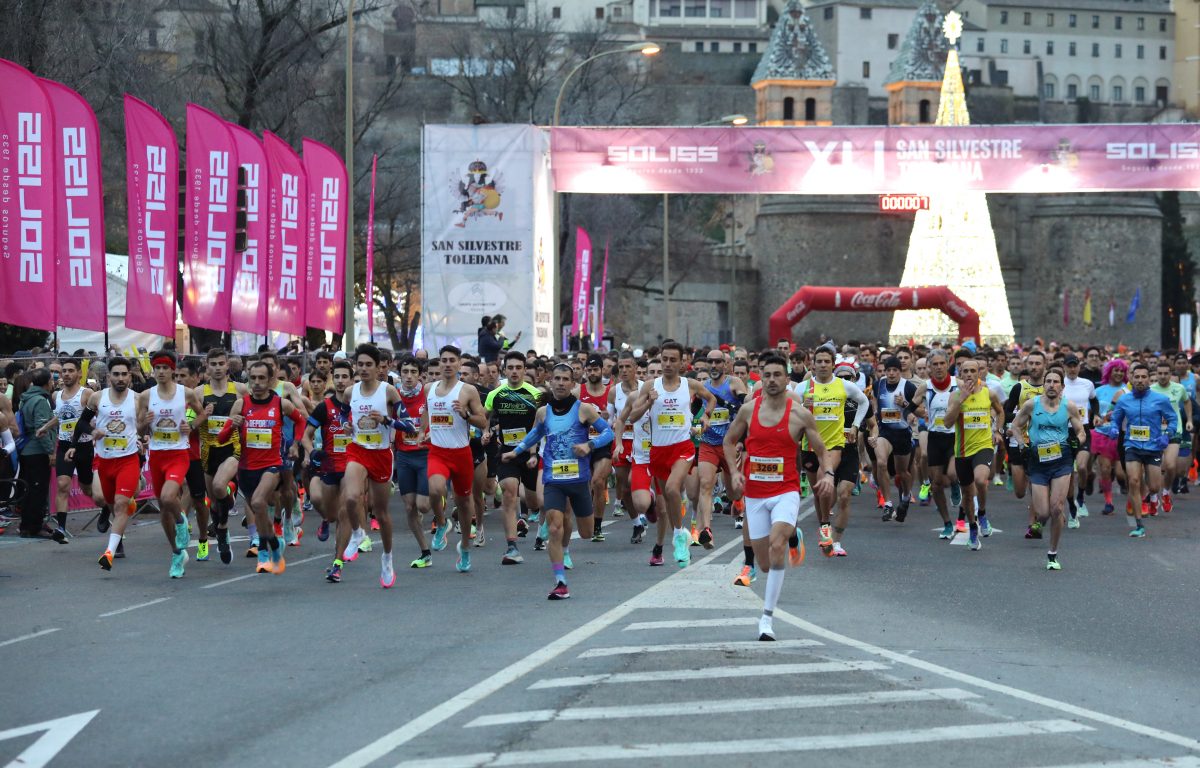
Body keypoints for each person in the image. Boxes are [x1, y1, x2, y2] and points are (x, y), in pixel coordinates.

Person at [724, 354, 834, 641]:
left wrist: (828, 474)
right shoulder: (748, 411)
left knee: (776, 546)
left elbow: (821, 450)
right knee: (763, 563)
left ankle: (766, 619)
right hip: (756, 495)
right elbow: (729, 441)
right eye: (767, 375)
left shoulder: (799, 414)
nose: (772, 380)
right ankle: (793, 534)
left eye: (777, 375)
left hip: (786, 490)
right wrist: (735, 472)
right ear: (761, 379)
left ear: (787, 380)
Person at [502, 362, 614, 599]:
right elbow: (536, 433)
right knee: (554, 526)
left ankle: (569, 542)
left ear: (573, 384)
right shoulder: (543, 412)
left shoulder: (583, 409)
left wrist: (589, 445)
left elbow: (608, 433)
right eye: (557, 379)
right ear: (550, 382)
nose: (561, 383)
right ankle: (560, 581)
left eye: (565, 379)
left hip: (578, 479)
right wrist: (518, 451)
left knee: (585, 532)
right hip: (553, 478)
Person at [624, 341, 717, 568]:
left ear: (682, 362)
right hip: (658, 451)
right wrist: (648, 402)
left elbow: (711, 399)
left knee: (672, 488)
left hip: (682, 448)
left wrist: (706, 417)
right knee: (668, 496)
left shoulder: (690, 385)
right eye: (664, 359)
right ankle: (679, 532)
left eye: (672, 360)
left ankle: (677, 536)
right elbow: (633, 417)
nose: (667, 363)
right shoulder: (649, 386)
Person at [215, 360, 307, 573]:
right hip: (246, 468)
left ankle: (264, 551)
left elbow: (301, 421)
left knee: (258, 501)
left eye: (261, 378)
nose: (256, 383)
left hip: (272, 465)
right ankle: (273, 544)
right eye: (252, 378)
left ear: (270, 380)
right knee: (259, 508)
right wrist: (231, 426)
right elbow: (221, 439)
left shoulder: (280, 404)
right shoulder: (241, 405)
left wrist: (295, 443)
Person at [136, 350, 206, 578]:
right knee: (163, 508)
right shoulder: (146, 396)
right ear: (153, 370)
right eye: (157, 368)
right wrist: (144, 424)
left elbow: (202, 414)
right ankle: (177, 553)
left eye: (166, 368)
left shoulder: (185, 393)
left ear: (173, 370)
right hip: (156, 456)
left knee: (168, 498)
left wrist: (192, 426)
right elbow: (138, 429)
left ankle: (182, 520)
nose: (161, 372)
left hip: (178, 454)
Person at [1011, 369, 1088, 570]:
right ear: (1044, 385)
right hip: (1038, 461)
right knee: (1043, 512)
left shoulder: (1069, 407)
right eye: (1049, 381)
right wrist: (1021, 445)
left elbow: (1081, 432)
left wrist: (1076, 442)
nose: (1052, 385)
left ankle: (1052, 554)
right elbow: (1015, 426)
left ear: (1062, 387)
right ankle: (1039, 523)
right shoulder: (1031, 405)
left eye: (1056, 382)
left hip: (1061, 460)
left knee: (1057, 508)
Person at [424, 345, 490, 573]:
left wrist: (465, 415)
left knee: (464, 504)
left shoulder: (468, 391)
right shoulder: (428, 389)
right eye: (444, 360)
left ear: (459, 363)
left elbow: (483, 422)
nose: (448, 364)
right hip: (438, 452)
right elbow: (426, 413)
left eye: (453, 360)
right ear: (439, 363)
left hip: (461, 453)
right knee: (435, 489)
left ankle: (465, 547)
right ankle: (442, 523)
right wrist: (423, 431)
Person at [485, 351, 543, 565]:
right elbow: (485, 417)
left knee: (536, 501)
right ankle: (512, 547)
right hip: (507, 453)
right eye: (510, 368)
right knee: (509, 493)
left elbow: (542, 425)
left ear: (524, 369)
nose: (515, 371)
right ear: (504, 370)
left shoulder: (534, 395)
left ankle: (541, 521)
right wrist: (485, 432)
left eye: (519, 367)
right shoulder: (496, 395)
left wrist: (535, 451)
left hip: (530, 454)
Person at [942, 355, 1006, 551]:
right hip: (962, 451)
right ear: (960, 374)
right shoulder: (955, 395)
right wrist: (960, 401)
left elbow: (1001, 411)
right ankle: (972, 528)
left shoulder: (989, 393)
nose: (969, 374)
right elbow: (947, 423)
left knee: (980, 480)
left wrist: (997, 431)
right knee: (967, 495)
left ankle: (983, 513)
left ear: (979, 373)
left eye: (973, 371)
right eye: (965, 371)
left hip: (984, 446)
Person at [1109, 363, 1177, 538]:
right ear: (1131, 378)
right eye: (1136, 377)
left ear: (1148, 378)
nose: (1140, 380)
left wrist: (1167, 435)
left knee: (1154, 486)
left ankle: (1150, 497)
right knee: (1133, 480)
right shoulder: (1124, 400)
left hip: (1153, 447)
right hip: (1132, 445)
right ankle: (1139, 524)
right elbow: (1116, 419)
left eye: (1143, 377)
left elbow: (1172, 420)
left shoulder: (1160, 399)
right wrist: (1114, 429)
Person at [300, 359, 353, 577]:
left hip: (353, 466)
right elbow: (305, 436)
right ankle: (324, 519)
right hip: (329, 466)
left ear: (352, 380)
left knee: (344, 513)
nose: (340, 381)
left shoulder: (360, 405)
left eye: (345, 377)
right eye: (337, 377)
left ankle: (338, 562)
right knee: (319, 500)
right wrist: (312, 452)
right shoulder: (325, 407)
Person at [34, 358, 94, 542]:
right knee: (62, 485)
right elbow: (60, 417)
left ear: (79, 374)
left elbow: (95, 416)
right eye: (63, 371)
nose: (66, 374)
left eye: (70, 370)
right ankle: (61, 528)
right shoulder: (55, 396)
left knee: (88, 489)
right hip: (65, 445)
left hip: (84, 446)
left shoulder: (87, 394)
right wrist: (46, 427)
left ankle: (107, 508)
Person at [197, 348, 246, 564]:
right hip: (209, 451)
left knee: (219, 487)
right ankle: (221, 528)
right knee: (215, 503)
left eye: (221, 363)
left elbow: (253, 415)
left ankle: (224, 530)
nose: (217, 368)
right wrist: (201, 416)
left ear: (228, 365)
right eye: (213, 364)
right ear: (207, 367)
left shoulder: (241, 390)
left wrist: (242, 422)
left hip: (232, 448)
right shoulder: (198, 393)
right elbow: (191, 422)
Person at [696, 349, 748, 549]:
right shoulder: (703, 387)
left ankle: (738, 503)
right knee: (706, 484)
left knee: (734, 492)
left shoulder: (734, 383)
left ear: (726, 365)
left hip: (730, 445)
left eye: (719, 362)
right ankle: (706, 530)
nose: (715, 366)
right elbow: (694, 411)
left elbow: (745, 404)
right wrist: (698, 422)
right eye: (711, 362)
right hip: (708, 444)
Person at [873, 356, 925, 523]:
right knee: (881, 463)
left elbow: (921, 412)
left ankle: (906, 496)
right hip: (885, 432)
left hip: (902, 433)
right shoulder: (878, 384)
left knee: (903, 472)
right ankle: (888, 503)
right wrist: (873, 425)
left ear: (899, 371)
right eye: (888, 370)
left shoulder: (908, 387)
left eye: (895, 370)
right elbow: (875, 405)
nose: (891, 373)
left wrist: (904, 404)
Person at [16, 369, 58, 539]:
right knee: (38, 490)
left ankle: (27, 525)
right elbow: (42, 430)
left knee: (29, 489)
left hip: (27, 450)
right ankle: (34, 527)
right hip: (37, 451)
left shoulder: (26, 398)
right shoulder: (40, 400)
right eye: (52, 379)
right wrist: (50, 451)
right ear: (48, 382)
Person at [578, 354, 614, 541]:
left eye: (595, 369)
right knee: (584, 485)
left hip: (604, 444)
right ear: (585, 371)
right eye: (589, 370)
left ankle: (597, 526)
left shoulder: (611, 392)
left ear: (602, 370)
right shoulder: (578, 391)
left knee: (598, 482)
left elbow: (623, 417)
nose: (592, 373)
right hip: (582, 444)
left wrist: (611, 418)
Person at [1150, 360, 1192, 514]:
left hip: (1174, 431)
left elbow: (1187, 402)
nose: (1162, 376)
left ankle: (1166, 493)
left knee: (1170, 466)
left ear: (1170, 374)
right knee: (1154, 468)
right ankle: (1154, 498)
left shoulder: (1179, 388)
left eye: (1165, 373)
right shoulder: (1151, 389)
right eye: (1159, 373)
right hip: (1154, 433)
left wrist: (1189, 420)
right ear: (1156, 374)